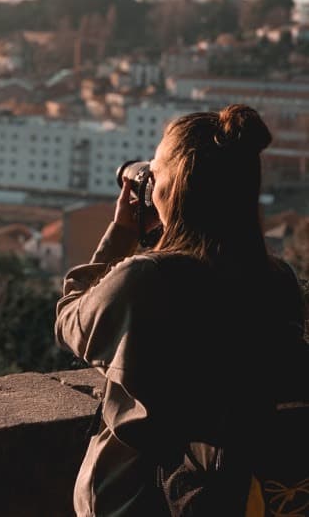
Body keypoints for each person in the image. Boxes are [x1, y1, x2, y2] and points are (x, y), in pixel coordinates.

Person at [55, 104, 306, 516]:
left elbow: (70, 321)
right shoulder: (279, 280)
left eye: (154, 175)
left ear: (170, 188)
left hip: (141, 499)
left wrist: (121, 235)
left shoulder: (145, 281)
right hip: (242, 491)